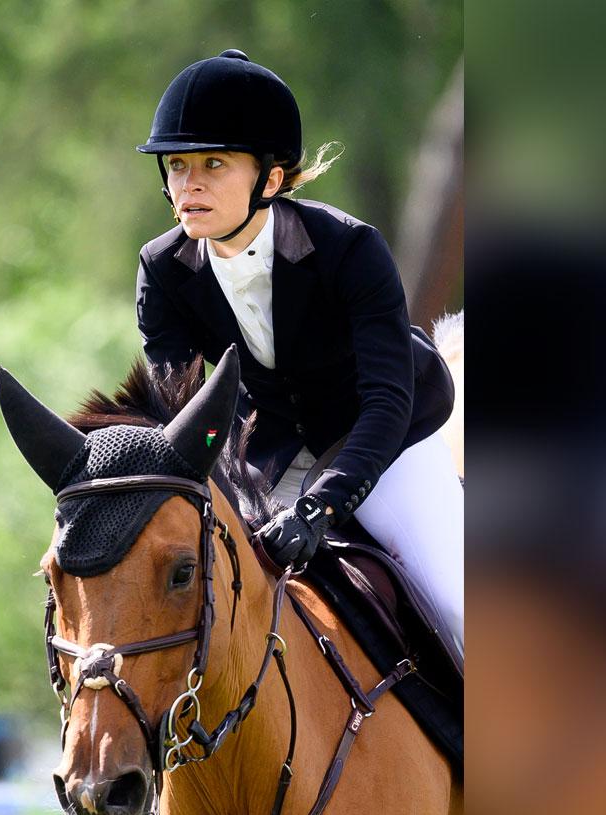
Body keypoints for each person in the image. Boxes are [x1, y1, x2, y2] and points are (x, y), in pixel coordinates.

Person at [133, 49, 464, 668]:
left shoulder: (349, 248)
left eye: (213, 164)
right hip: (274, 451)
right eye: (176, 165)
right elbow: (178, 411)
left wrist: (322, 506)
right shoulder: (163, 268)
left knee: (459, 608)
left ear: (273, 179)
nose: (188, 184)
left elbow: (387, 400)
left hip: (385, 440)